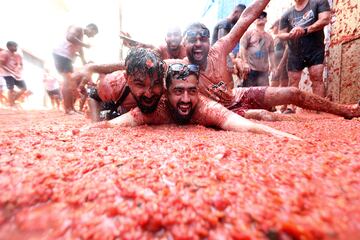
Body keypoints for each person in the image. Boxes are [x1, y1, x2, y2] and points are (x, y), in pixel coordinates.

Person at [181, 0, 360, 120]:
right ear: (184, 42)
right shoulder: (180, 69)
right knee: (269, 117)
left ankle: (347, 110)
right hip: (220, 113)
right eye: (192, 40)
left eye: (202, 39)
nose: (198, 44)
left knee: (292, 92)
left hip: (236, 96)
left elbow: (246, 17)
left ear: (208, 41)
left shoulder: (219, 49)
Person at [98, 62, 300, 140]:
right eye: (178, 92)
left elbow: (243, 125)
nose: (185, 99)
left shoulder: (205, 108)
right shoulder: (153, 110)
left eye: (191, 91)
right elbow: (111, 125)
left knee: (267, 114)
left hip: (227, 99)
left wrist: (290, 138)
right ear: (166, 93)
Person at [81, 48, 165, 122]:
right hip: (113, 105)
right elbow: (93, 97)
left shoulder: (168, 83)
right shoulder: (114, 83)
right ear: (127, 79)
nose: (149, 94)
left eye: (156, 83)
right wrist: (95, 122)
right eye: (140, 84)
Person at [278, 0, 331, 101]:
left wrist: (305, 30)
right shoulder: (286, 14)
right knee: (293, 81)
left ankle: (319, 107)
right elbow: (280, 34)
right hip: (295, 51)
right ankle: (291, 108)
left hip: (315, 48)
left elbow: (325, 19)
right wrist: (290, 34)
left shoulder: (318, 2)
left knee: (316, 78)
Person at [53, 23, 98, 114]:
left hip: (66, 58)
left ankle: (72, 108)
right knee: (68, 82)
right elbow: (70, 37)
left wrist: (85, 64)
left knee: (71, 82)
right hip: (62, 55)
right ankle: (68, 109)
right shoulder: (79, 28)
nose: (92, 36)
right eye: (94, 33)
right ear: (91, 28)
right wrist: (85, 45)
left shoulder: (80, 37)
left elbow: (81, 52)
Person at [212, 4, 247, 88]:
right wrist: (229, 64)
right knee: (224, 88)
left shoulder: (230, 25)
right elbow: (222, 47)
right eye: (241, 16)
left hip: (222, 61)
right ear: (236, 12)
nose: (241, 20)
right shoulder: (225, 23)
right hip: (217, 62)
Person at [240, 11, 276, 87]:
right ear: (254, 20)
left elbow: (272, 52)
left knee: (263, 95)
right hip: (250, 70)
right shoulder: (249, 33)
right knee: (248, 94)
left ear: (266, 19)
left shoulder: (269, 37)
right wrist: (245, 63)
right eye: (258, 17)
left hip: (264, 72)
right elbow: (242, 47)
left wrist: (273, 67)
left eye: (263, 16)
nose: (260, 18)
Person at [121, 26, 187, 60]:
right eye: (169, 35)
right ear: (165, 39)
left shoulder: (187, 51)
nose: (173, 38)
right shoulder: (161, 50)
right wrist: (132, 47)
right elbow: (147, 54)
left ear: (181, 38)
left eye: (176, 35)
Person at [0, 41, 27, 107]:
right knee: (11, 88)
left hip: (17, 74)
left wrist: (19, 70)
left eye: (16, 46)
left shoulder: (18, 55)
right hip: (7, 74)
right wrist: (10, 71)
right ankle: (11, 104)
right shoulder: (4, 53)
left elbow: (21, 64)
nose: (15, 48)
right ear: (8, 47)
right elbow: (1, 64)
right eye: (14, 46)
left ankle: (12, 101)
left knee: (24, 88)